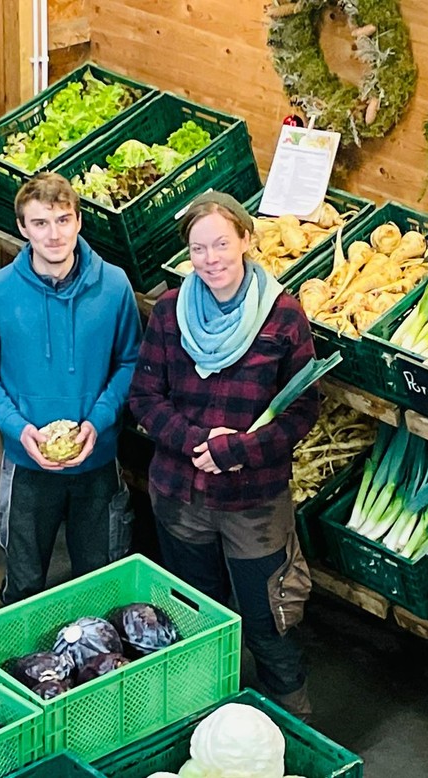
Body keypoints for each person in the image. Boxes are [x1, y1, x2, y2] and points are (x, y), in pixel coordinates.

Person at [128, 191, 319, 719]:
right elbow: (144, 397)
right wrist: (196, 442)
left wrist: (239, 450)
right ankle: (204, 712)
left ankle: (292, 722)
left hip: (254, 502)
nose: (210, 259)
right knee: (196, 615)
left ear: (246, 241)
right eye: (198, 249)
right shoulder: (169, 312)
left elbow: (302, 412)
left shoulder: (284, 318)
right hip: (181, 493)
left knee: (267, 619)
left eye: (221, 244)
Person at [0, 172, 141, 605]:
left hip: (97, 462)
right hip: (27, 466)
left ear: (79, 221)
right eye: (40, 223)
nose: (54, 234)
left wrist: (98, 422)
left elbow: (130, 362)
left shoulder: (114, 287)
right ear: (22, 228)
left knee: (99, 586)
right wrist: (16, 428)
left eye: (63, 220)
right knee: (22, 586)